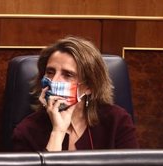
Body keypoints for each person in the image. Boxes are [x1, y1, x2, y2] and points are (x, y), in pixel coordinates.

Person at [11, 36, 139, 152]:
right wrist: (58, 132)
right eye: (50, 72)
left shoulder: (117, 121)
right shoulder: (27, 130)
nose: (54, 80)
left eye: (68, 75)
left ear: (89, 86)